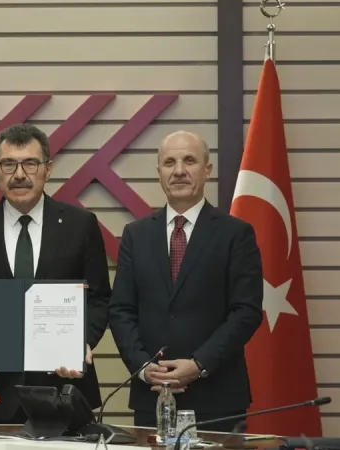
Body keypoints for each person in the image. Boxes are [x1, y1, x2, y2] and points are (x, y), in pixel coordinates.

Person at [0, 123, 112, 423]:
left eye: (30, 164)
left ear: (48, 168)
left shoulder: (80, 225)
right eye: (9, 164)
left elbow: (99, 299)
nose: (19, 175)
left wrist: (80, 342)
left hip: (64, 388)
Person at [108, 130, 264, 432]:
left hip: (217, 397)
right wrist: (143, 367)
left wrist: (199, 364)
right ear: (159, 172)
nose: (179, 171)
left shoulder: (236, 234)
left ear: (207, 170)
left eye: (189, 161)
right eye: (169, 163)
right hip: (152, 395)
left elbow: (246, 311)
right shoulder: (136, 235)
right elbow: (120, 310)